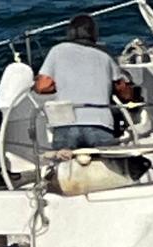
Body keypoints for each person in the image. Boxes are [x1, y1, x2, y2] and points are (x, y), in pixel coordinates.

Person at [34, 14, 136, 148]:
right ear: (94, 34)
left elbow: (42, 86)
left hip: (65, 125)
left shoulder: (57, 51)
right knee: (111, 164)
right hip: (100, 125)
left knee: (64, 165)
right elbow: (125, 94)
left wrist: (62, 84)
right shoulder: (105, 56)